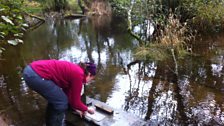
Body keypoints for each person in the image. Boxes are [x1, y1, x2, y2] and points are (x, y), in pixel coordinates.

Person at [22, 59, 96, 126]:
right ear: (89, 74)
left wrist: (77, 108)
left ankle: (50, 124)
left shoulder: (76, 70)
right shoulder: (79, 74)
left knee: (57, 99)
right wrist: (87, 109)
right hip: (36, 75)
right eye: (91, 79)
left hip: (30, 71)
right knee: (61, 102)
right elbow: (75, 102)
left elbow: (69, 96)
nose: (89, 81)